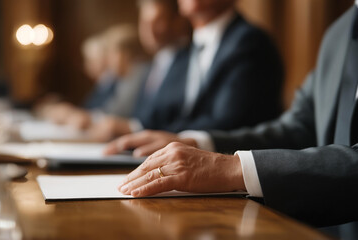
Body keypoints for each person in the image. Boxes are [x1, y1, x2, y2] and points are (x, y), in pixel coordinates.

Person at [105, 3, 358, 230]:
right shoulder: (339, 32)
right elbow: (298, 128)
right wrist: (195, 143)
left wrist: (232, 168)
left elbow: (229, 118)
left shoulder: (251, 42)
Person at [90, 0, 284, 141]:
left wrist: (153, 135)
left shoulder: (250, 42)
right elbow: (167, 113)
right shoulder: (186, 50)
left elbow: (229, 123)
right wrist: (134, 130)